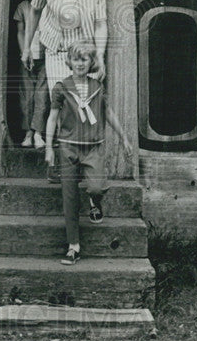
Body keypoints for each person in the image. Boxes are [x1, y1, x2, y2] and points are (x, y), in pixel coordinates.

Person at [45, 41, 135, 265]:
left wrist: (123, 137)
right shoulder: (61, 88)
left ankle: (95, 200)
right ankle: (73, 246)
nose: (80, 63)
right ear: (69, 61)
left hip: (93, 146)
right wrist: (49, 147)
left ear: (91, 62)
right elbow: (53, 117)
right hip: (68, 146)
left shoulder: (97, 87)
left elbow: (109, 113)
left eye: (85, 59)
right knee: (69, 196)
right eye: (76, 59)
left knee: (96, 186)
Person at [13, 0, 48, 148]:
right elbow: (20, 32)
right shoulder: (22, 7)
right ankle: (27, 133)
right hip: (27, 58)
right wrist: (23, 54)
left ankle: (38, 134)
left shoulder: (48, 6)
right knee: (27, 96)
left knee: (42, 96)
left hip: (45, 58)